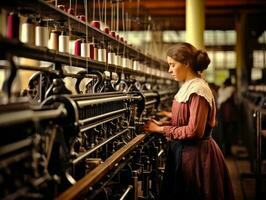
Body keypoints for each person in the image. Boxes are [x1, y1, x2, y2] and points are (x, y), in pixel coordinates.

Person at [144, 42, 235, 200]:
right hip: (185, 153)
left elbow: (194, 131)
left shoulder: (198, 90)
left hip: (196, 158)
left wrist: (160, 130)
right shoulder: (188, 86)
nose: (169, 70)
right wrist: (163, 124)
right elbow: (184, 120)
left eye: (172, 65)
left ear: (186, 63)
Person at [217, 78, 238, 156]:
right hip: (229, 115)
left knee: (224, 133)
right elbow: (235, 101)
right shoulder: (231, 90)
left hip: (222, 114)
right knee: (229, 133)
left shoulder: (221, 91)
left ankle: (225, 151)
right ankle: (227, 151)